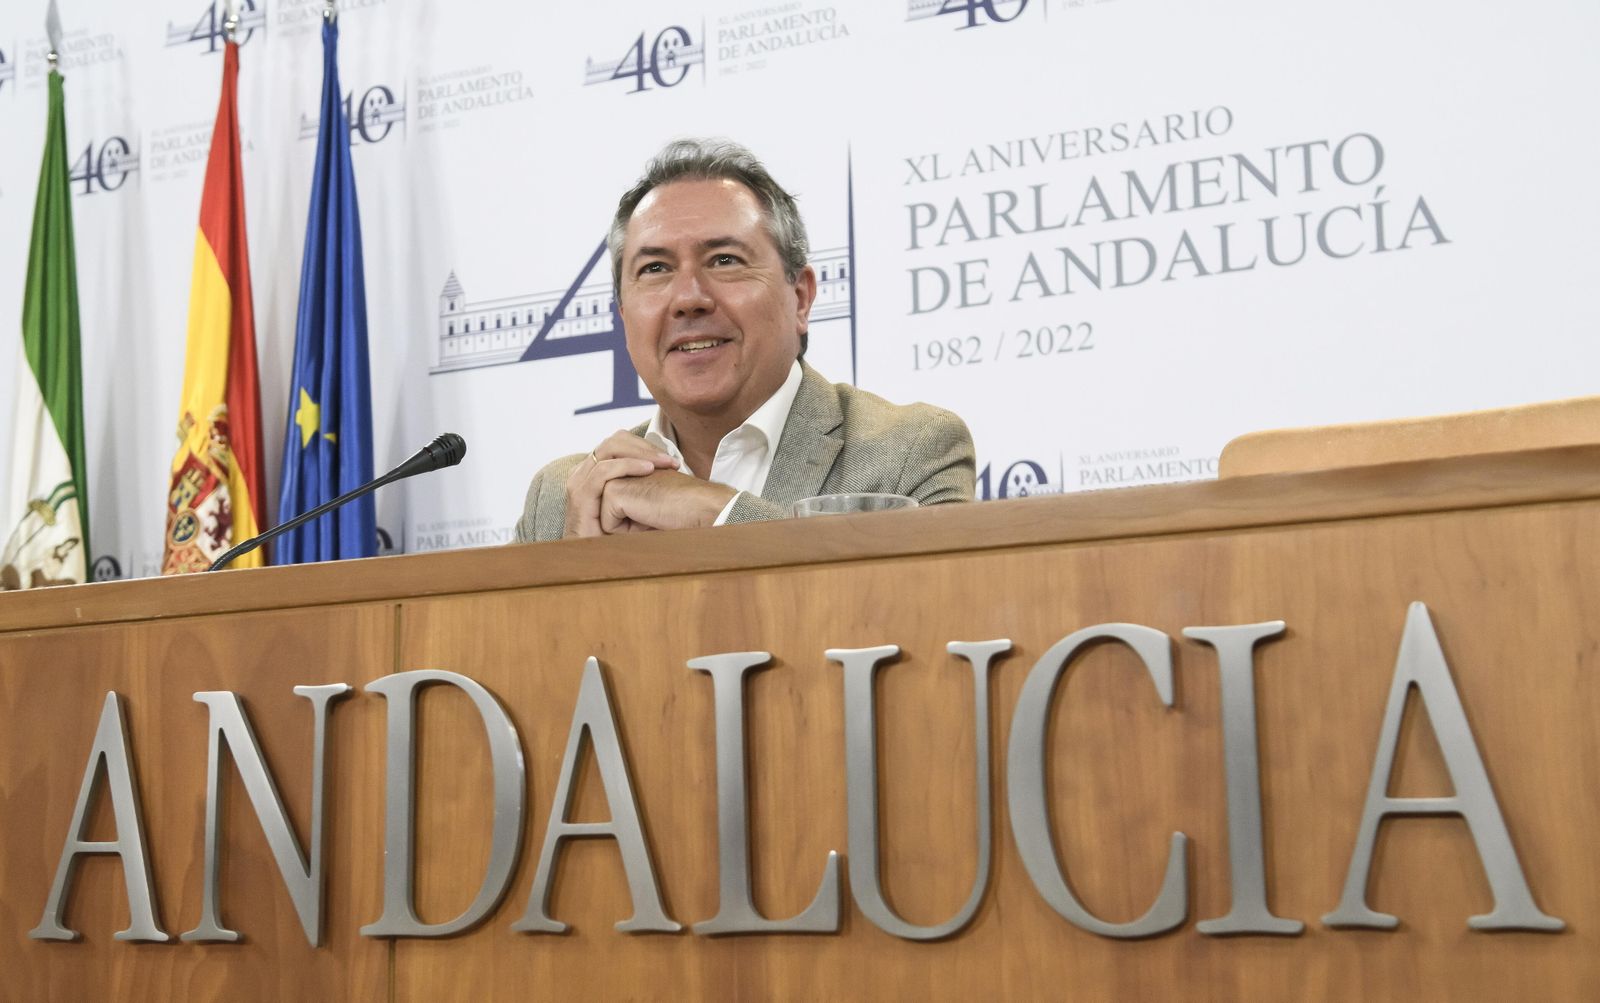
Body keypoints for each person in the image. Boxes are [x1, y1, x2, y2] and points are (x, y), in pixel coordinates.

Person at [514, 139, 974, 543]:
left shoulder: (911, 451)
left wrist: (714, 513)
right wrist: (576, 561)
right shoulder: (562, 498)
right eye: (655, 269)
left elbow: (923, 613)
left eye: (724, 260)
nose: (688, 298)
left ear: (800, 298)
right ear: (622, 316)